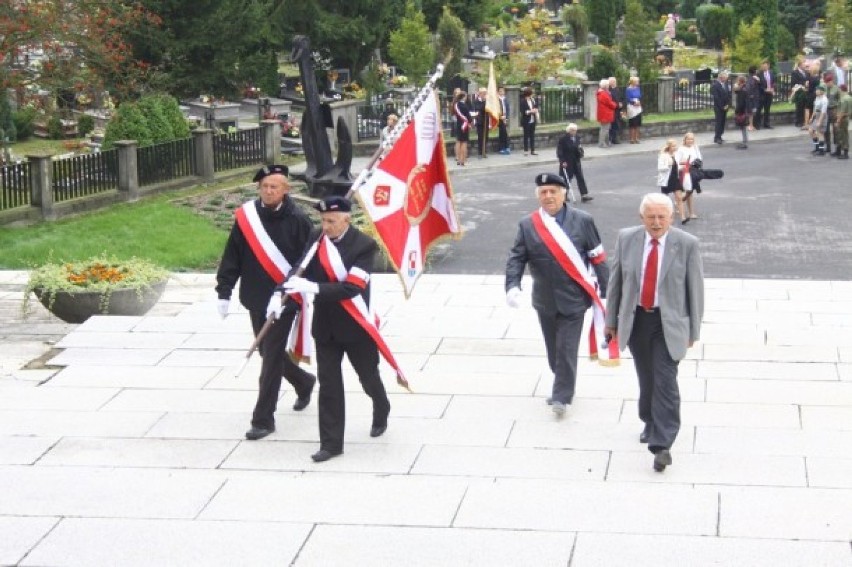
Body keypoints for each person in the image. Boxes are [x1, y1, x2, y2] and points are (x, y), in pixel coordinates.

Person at [280, 196, 391, 463]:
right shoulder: (317, 237)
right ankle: (331, 444)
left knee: (367, 375)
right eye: (323, 220)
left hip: (355, 326)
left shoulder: (364, 246)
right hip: (326, 327)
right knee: (329, 385)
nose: (326, 226)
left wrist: (313, 288)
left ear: (346, 219)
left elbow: (352, 287)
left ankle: (381, 405)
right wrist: (284, 287)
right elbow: (301, 266)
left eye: (331, 221)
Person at [215, 164, 317, 441]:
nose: (269, 191)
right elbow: (232, 255)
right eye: (264, 187)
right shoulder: (247, 218)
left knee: (270, 358)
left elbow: (305, 262)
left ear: (286, 190)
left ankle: (263, 419)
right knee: (266, 352)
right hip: (255, 297)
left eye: (274, 187)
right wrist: (224, 290)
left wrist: (283, 291)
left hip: (284, 299)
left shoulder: (299, 220)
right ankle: (304, 382)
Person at [604, 193, 704, 473]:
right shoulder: (627, 239)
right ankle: (648, 419)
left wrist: (693, 329)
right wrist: (611, 321)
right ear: (641, 218)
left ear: (672, 218)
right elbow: (616, 282)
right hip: (636, 321)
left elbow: (695, 290)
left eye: (662, 217)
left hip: (668, 323)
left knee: (665, 379)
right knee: (646, 376)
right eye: (651, 217)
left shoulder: (686, 245)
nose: (657, 222)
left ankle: (663, 444)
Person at [505, 173, 609, 417]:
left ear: (564, 193)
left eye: (553, 191)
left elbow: (598, 257)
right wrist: (512, 285)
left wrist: (608, 294)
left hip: (574, 299)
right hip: (545, 300)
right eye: (543, 192)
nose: (548, 196)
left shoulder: (583, 220)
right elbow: (517, 258)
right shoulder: (528, 225)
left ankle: (562, 395)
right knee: (554, 351)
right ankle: (562, 380)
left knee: (566, 348)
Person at [557, 123, 593, 202]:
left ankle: (584, 195)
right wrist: (562, 161)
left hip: (576, 161)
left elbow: (579, 147)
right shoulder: (563, 139)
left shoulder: (577, 138)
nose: (574, 132)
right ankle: (564, 195)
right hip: (567, 161)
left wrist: (581, 153)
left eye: (575, 130)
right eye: (572, 130)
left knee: (580, 178)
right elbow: (560, 151)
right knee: (566, 179)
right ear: (569, 130)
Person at [674, 132, 702, 222]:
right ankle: (685, 208)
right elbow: (677, 162)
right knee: (686, 191)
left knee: (690, 192)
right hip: (684, 172)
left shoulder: (695, 147)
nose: (690, 141)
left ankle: (684, 206)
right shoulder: (680, 149)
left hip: (693, 171)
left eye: (692, 139)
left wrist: (698, 165)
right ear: (685, 140)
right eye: (688, 139)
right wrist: (681, 168)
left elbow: (699, 158)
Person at [657, 139, 686, 224]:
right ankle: (665, 217)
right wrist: (668, 165)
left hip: (675, 178)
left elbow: (677, 166)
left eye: (675, 145)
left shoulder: (676, 154)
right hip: (667, 180)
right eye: (673, 146)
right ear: (669, 146)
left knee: (679, 198)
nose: (675, 147)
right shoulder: (663, 156)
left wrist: (682, 166)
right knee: (665, 200)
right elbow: (660, 168)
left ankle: (683, 217)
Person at [824, 72, 842, 156]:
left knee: (836, 130)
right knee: (826, 130)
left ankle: (837, 148)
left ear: (832, 81)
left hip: (834, 109)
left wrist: (838, 111)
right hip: (826, 110)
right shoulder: (825, 88)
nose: (828, 83)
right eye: (826, 82)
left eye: (829, 82)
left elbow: (840, 100)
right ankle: (828, 147)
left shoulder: (836, 89)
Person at [710, 71, 730, 144]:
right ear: (721, 77)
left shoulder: (726, 84)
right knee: (719, 122)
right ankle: (717, 137)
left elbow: (728, 95)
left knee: (723, 122)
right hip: (719, 107)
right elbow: (716, 98)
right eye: (725, 78)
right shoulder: (715, 85)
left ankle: (720, 135)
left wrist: (727, 104)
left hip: (725, 106)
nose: (726, 79)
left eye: (726, 78)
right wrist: (722, 106)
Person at [596, 79, 617, 148]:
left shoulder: (602, 92)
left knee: (605, 128)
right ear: (605, 86)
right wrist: (615, 104)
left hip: (604, 113)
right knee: (604, 129)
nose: (608, 86)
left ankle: (606, 142)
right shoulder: (603, 94)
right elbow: (609, 103)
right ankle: (602, 143)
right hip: (605, 113)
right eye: (607, 85)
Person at [452, 91, 471, 166]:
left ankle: (458, 160)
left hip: (458, 124)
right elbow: (469, 118)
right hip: (464, 125)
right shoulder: (464, 106)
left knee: (458, 141)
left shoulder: (456, 105)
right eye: (465, 96)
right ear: (463, 97)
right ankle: (463, 161)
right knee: (464, 143)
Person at [755, 60, 775, 129]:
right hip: (762, 94)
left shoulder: (771, 72)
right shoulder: (759, 74)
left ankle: (766, 123)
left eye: (765, 66)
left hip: (769, 94)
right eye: (763, 66)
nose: (764, 67)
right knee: (759, 109)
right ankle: (757, 124)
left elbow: (773, 82)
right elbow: (758, 84)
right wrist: (765, 89)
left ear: (768, 66)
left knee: (767, 109)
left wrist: (772, 89)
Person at [520, 86, 539, 156]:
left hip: (532, 120)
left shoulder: (533, 100)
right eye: (531, 93)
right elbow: (523, 111)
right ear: (528, 93)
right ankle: (526, 150)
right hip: (526, 120)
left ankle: (533, 150)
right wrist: (530, 111)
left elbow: (536, 107)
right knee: (526, 136)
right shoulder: (523, 101)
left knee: (532, 136)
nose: (532, 95)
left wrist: (535, 110)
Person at [809, 84, 828, 156]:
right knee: (811, 130)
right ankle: (817, 147)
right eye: (816, 90)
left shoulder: (824, 100)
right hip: (816, 116)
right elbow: (815, 108)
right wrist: (811, 117)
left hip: (822, 117)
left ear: (822, 91)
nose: (816, 91)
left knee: (820, 133)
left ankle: (821, 150)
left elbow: (823, 112)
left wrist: (820, 121)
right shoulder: (817, 98)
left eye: (818, 90)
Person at [733, 75, 750, 149]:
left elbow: (741, 102)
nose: (736, 82)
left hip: (742, 111)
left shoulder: (743, 90)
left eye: (737, 80)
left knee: (743, 127)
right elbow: (736, 91)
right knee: (744, 127)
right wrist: (736, 87)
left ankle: (745, 143)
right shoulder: (744, 88)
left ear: (740, 81)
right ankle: (745, 141)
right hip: (744, 110)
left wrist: (737, 111)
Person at [791, 58, 809, 127]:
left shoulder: (806, 72)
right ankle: (798, 121)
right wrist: (804, 84)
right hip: (799, 92)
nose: (805, 64)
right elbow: (794, 82)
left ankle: (804, 121)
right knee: (799, 107)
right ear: (800, 65)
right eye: (804, 63)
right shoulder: (795, 72)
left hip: (805, 92)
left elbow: (808, 79)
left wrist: (807, 84)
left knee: (804, 106)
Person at [625, 76, 643, 144]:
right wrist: (633, 103)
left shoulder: (637, 88)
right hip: (632, 107)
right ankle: (631, 139)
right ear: (633, 82)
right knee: (632, 123)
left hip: (638, 106)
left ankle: (637, 138)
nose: (638, 82)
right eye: (637, 81)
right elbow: (628, 98)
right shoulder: (628, 89)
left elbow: (640, 96)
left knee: (638, 123)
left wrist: (639, 102)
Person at [804, 60, 822, 129]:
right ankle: (815, 123)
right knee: (815, 109)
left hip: (810, 94)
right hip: (816, 95)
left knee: (807, 109)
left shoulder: (810, 78)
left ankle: (806, 124)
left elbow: (807, 86)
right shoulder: (818, 79)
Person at [472, 86, 489, 158]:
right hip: (479, 121)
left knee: (486, 137)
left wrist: (485, 101)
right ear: (480, 93)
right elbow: (479, 109)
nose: (485, 95)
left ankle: (484, 151)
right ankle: (479, 152)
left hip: (486, 121)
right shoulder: (476, 101)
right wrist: (484, 102)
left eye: (485, 93)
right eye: (483, 93)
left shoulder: (487, 101)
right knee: (480, 137)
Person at [834, 84, 850, 160]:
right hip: (846, 118)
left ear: (841, 89)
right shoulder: (849, 97)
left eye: (839, 89)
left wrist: (838, 121)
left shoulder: (843, 99)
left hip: (843, 118)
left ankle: (845, 153)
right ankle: (839, 151)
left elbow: (842, 111)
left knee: (842, 135)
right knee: (843, 135)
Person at [608, 77, 624, 145]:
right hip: (612, 110)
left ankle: (616, 138)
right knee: (612, 125)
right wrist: (617, 104)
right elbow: (610, 101)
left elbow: (622, 98)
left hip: (618, 110)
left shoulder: (618, 89)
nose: (609, 83)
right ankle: (612, 139)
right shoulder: (609, 90)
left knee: (617, 125)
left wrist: (622, 104)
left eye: (611, 81)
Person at [744, 65, 761, 131]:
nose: (757, 71)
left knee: (752, 112)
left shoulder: (753, 77)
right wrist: (751, 95)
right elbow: (749, 87)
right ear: (754, 71)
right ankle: (750, 125)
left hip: (754, 98)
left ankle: (751, 125)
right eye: (756, 70)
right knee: (751, 112)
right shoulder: (751, 78)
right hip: (752, 98)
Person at [497, 86, 511, 155]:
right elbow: (496, 110)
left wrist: (506, 117)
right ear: (498, 92)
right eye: (500, 91)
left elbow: (508, 109)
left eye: (503, 91)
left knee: (506, 133)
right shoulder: (497, 100)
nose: (502, 92)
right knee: (502, 133)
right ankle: (502, 147)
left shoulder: (505, 99)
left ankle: (507, 146)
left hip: (505, 118)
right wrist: (500, 117)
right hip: (500, 119)